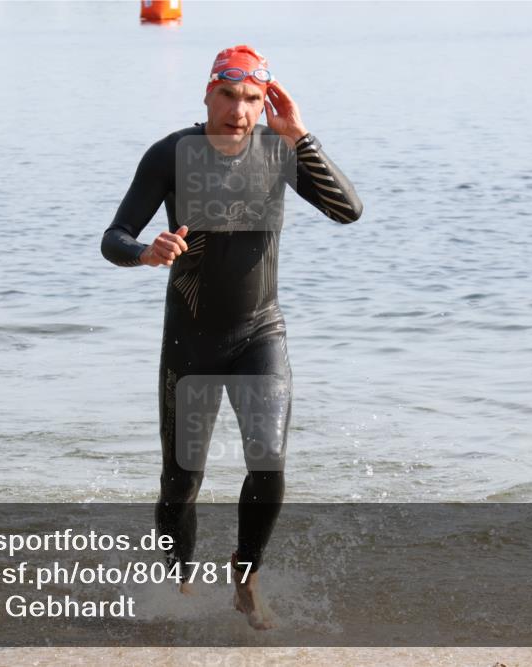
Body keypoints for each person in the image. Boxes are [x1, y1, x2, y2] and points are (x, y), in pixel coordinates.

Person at [101, 45, 362, 630]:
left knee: (268, 460)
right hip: (189, 342)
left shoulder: (279, 152)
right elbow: (113, 236)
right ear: (208, 93)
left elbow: (349, 210)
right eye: (229, 95)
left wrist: (301, 136)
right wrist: (146, 251)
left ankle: (246, 578)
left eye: (252, 99)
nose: (240, 110)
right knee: (181, 480)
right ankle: (182, 586)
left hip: (259, 333)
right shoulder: (170, 154)